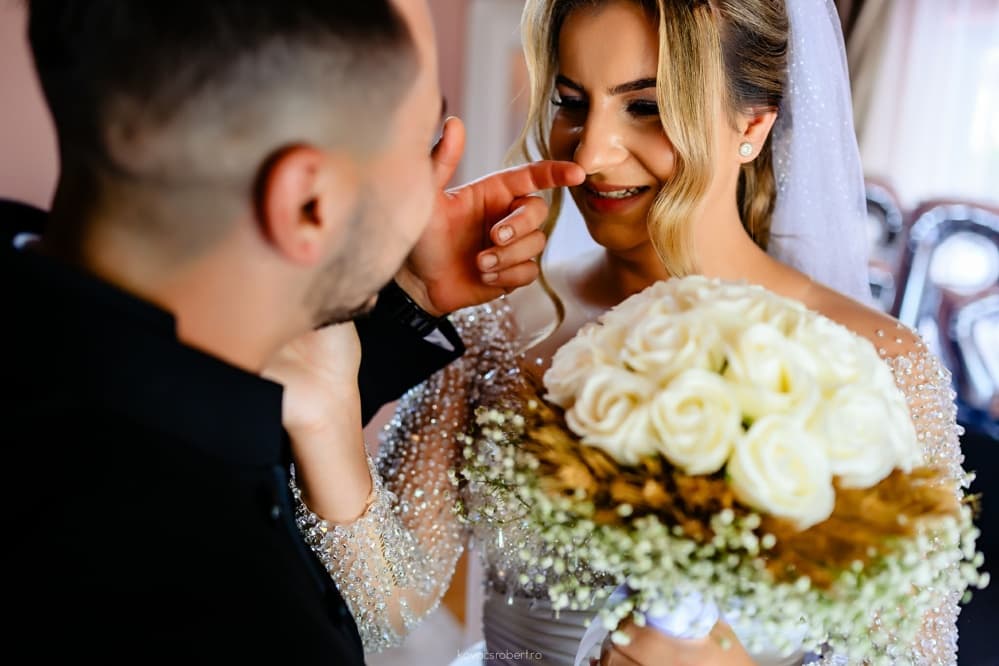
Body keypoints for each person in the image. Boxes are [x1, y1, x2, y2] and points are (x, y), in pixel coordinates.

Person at [290, 0, 970, 664]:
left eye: (645, 106)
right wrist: (327, 404)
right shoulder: (501, 325)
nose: (590, 153)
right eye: (570, 101)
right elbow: (384, 606)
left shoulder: (877, 365)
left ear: (753, 124)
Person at [1, 0, 584, 663]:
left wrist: (402, 288)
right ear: (310, 203)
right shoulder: (239, 619)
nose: (434, 197)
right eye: (420, 149)